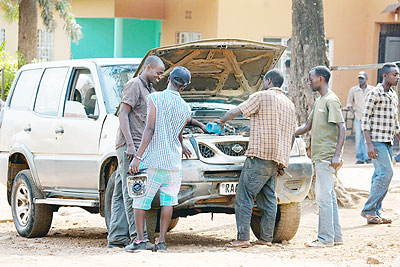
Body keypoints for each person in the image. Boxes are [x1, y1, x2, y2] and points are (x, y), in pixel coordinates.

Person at [216, 69, 296, 248]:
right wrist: (284, 159)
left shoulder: (261, 96)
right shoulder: (289, 103)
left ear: (268, 81)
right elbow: (292, 135)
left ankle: (243, 238)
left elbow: (235, 111)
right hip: (276, 159)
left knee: (244, 196)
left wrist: (221, 121)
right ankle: (266, 238)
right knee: (268, 199)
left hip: (259, 156)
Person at [128, 66, 194, 251]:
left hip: (153, 160)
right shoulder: (185, 107)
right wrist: (183, 145)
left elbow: (149, 129)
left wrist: (137, 157)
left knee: (140, 200)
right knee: (168, 201)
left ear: (169, 80)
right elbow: (179, 133)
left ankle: (141, 241)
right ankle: (162, 241)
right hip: (173, 162)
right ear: (184, 87)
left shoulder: (155, 98)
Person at [107, 55, 165, 248]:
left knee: (121, 193)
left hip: (138, 146)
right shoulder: (134, 85)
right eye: (158, 72)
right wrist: (131, 146)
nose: (160, 76)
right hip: (130, 147)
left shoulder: (149, 88)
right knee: (134, 191)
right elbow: (123, 114)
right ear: (148, 67)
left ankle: (116, 238)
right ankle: (138, 240)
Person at [295, 66, 345, 248]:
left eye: (312, 78)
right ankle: (336, 237)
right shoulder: (320, 101)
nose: (310, 82)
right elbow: (307, 125)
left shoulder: (331, 100)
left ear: (321, 79)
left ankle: (325, 239)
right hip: (319, 156)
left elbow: (342, 128)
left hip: (327, 156)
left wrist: (337, 155)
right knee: (329, 198)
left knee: (324, 198)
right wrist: (290, 134)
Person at [360, 63, 400, 225]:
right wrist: (369, 144)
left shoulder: (393, 95)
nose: (397, 78)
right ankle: (369, 209)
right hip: (376, 142)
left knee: (378, 175)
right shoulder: (374, 93)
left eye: (398, 75)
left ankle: (375, 212)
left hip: (388, 141)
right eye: (394, 75)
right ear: (385, 76)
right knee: (387, 174)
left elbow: (395, 122)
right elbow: (365, 121)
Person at [347, 71, 373, 164]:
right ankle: (360, 158)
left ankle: (368, 157)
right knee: (358, 138)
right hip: (358, 117)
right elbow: (349, 104)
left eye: (362, 78)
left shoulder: (371, 90)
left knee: (367, 138)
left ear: (366, 79)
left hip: (368, 118)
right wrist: (354, 113)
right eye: (359, 78)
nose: (360, 80)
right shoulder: (353, 90)